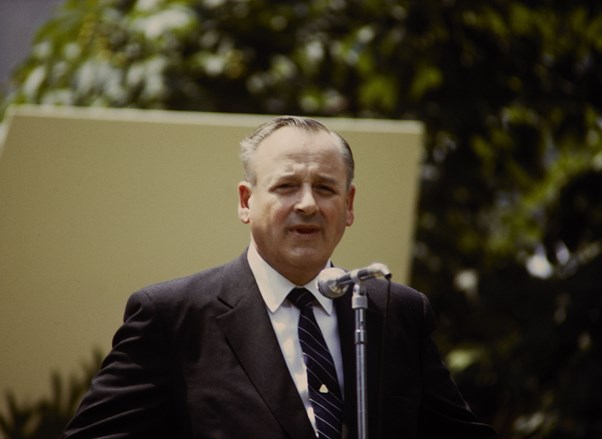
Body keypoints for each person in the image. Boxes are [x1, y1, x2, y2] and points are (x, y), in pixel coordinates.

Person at [62, 116, 496, 438]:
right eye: (286, 186)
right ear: (246, 201)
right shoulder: (173, 317)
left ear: (348, 205)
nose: (307, 204)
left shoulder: (393, 311)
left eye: (325, 189)